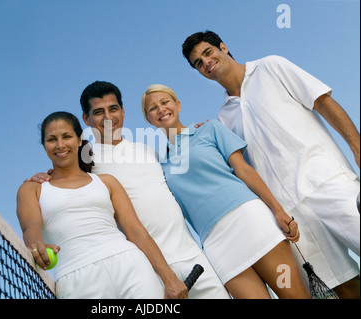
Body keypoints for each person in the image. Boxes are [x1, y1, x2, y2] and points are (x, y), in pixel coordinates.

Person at [182, 30, 360, 299]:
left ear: (223, 47)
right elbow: (238, 168)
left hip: (329, 182)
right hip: (292, 215)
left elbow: (322, 102)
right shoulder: (222, 119)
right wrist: (196, 134)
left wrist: (357, 148)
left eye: (207, 52)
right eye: (198, 63)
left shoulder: (271, 66)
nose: (205, 62)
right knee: (342, 285)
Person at [29, 81, 231, 299]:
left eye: (113, 109)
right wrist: (46, 177)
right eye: (98, 112)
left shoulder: (148, 150)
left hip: (192, 256)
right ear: (86, 119)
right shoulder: (87, 166)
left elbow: (183, 160)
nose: (108, 117)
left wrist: (196, 131)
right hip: (147, 270)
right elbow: (64, 181)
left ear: (123, 112)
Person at [141, 84, 311, 299]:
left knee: (294, 296)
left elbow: (244, 170)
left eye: (165, 102)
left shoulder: (210, 128)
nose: (161, 110)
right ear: (148, 119)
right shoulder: (160, 165)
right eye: (153, 108)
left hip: (250, 221)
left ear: (178, 104)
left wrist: (277, 210)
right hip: (216, 244)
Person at [16, 111, 188, 299]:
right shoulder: (32, 188)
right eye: (51, 139)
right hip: (75, 279)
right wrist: (36, 244)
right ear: (44, 145)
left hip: (131, 266)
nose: (60, 145)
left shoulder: (107, 182)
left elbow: (137, 231)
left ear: (79, 139)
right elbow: (30, 226)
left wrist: (169, 278)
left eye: (67, 136)